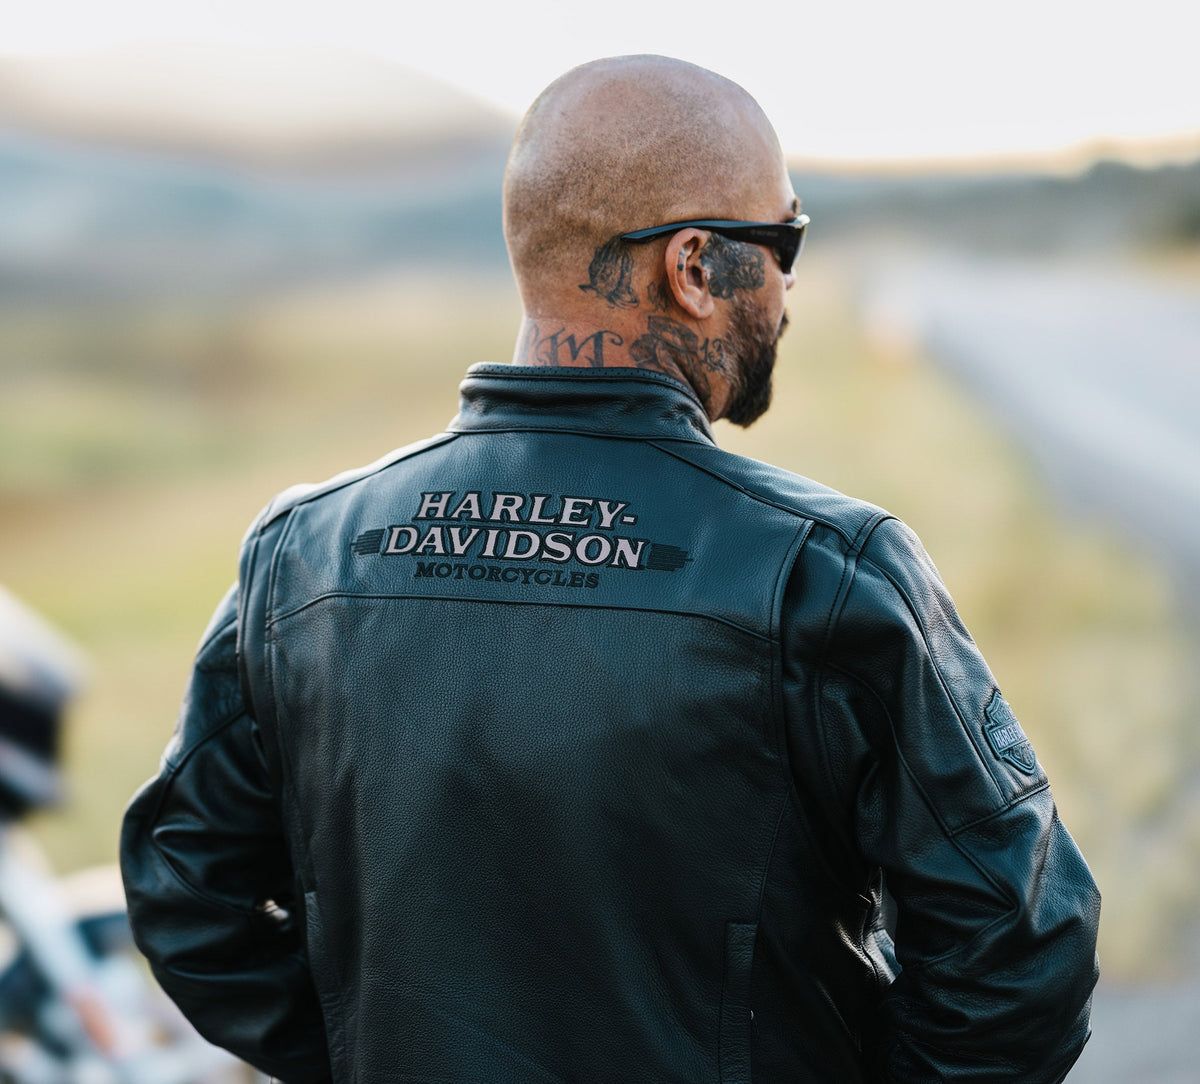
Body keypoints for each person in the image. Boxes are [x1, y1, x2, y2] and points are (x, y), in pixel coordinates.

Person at [120, 55, 1100, 1083]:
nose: (789, 287)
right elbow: (1020, 954)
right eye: (784, 241)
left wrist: (367, 1049)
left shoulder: (303, 553)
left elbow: (189, 896)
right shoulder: (825, 572)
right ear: (694, 267)